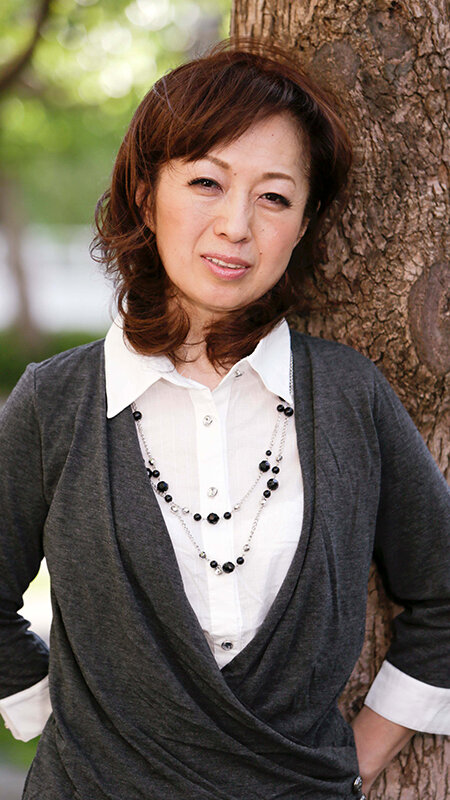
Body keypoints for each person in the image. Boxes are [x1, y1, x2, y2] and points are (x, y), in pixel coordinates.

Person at [0, 38, 449, 800]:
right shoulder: (57, 402)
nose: (236, 225)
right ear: (146, 193)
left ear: (304, 223)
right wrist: (68, 727)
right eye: (207, 181)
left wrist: (356, 759)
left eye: (274, 197)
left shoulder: (349, 398)